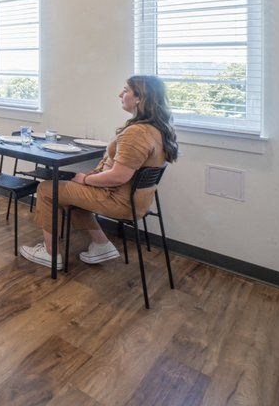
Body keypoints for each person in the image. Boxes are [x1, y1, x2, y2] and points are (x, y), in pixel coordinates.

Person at [19, 75, 179, 269]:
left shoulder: (137, 133)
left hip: (117, 200)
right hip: (137, 200)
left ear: (140, 97)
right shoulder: (158, 130)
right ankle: (101, 244)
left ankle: (50, 254)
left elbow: (119, 176)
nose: (120, 94)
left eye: (126, 90)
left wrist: (86, 179)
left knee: (46, 189)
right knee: (68, 193)